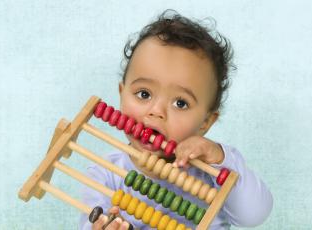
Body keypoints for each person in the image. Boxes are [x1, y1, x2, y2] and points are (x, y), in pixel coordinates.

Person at [79, 10, 273, 230]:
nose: (157, 111)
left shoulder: (215, 169)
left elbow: (254, 216)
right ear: (122, 94)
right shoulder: (105, 173)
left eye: (180, 103)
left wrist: (221, 158)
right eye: (144, 94)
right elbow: (89, 222)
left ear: (206, 122)